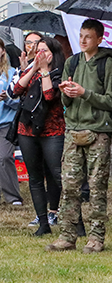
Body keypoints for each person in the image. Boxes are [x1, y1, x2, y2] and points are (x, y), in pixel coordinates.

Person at [47, 19, 112, 253]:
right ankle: (67, 235)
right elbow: (66, 102)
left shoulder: (107, 64)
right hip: (73, 130)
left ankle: (96, 237)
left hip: (98, 131)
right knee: (69, 186)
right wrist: (66, 92)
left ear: (100, 39)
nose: (83, 40)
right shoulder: (72, 62)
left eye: (88, 36)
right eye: (81, 35)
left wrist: (85, 93)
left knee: (97, 186)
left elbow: (111, 101)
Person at [12, 36, 67, 236]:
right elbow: (17, 89)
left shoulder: (59, 73)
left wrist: (44, 70)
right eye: (39, 49)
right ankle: (43, 223)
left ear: (55, 53)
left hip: (52, 130)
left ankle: (72, 219)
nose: (41, 54)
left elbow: (49, 95)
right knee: (34, 178)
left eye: (46, 50)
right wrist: (33, 68)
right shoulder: (32, 70)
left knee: (57, 174)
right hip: (27, 130)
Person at [0, 39, 23, 206]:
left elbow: (20, 102)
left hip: (5, 124)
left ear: (3, 51)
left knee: (5, 156)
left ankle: (12, 196)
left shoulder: (12, 73)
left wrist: (7, 98)